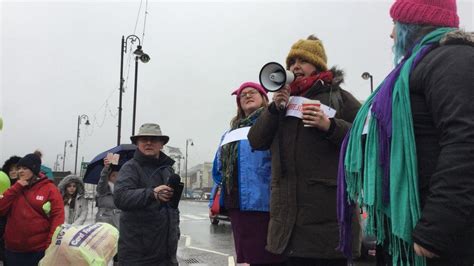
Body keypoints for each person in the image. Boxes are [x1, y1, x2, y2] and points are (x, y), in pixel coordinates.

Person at [337, 0, 474, 265]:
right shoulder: (414, 69)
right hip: (411, 230)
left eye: (395, 24)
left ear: (413, 25)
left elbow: (465, 142)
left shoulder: (453, 60)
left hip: (446, 238)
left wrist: (436, 227)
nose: (391, 34)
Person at [247, 35, 362, 266]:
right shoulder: (283, 102)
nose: (295, 67)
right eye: (291, 62)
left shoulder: (339, 98)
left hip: (328, 227)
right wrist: (273, 108)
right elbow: (256, 141)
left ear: (318, 65)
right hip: (288, 226)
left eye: (303, 61)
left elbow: (367, 140)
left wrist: (331, 127)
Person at [210, 82, 286, 266]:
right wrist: (215, 200)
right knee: (244, 258)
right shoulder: (229, 133)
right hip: (237, 204)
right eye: (242, 95)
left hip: (264, 203)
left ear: (264, 98)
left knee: (265, 257)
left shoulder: (274, 124)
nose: (247, 96)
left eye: (253, 92)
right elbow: (218, 170)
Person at [113, 123, 179, 266]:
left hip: (166, 255)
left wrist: (175, 232)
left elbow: (172, 208)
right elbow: (120, 197)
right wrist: (152, 193)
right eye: (144, 139)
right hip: (137, 255)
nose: (149, 143)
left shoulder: (168, 169)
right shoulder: (130, 167)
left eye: (153, 139)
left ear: (161, 144)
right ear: (137, 143)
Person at [0, 153, 64, 265]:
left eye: (24, 168)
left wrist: (49, 246)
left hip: (37, 251)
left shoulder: (50, 189)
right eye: (19, 168)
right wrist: (17, 187)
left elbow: (57, 218)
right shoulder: (14, 188)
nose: (20, 171)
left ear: (34, 170)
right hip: (12, 251)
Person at [0, 155, 21, 265]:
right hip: (3, 225)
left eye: (16, 169)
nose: (13, 172)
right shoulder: (2, 184)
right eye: (11, 169)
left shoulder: (24, 186)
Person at [96, 157, 121, 228]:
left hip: (118, 222)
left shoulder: (122, 190)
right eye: (113, 175)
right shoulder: (103, 189)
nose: (116, 178)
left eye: (118, 175)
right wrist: (106, 169)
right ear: (109, 177)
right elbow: (102, 181)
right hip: (104, 221)